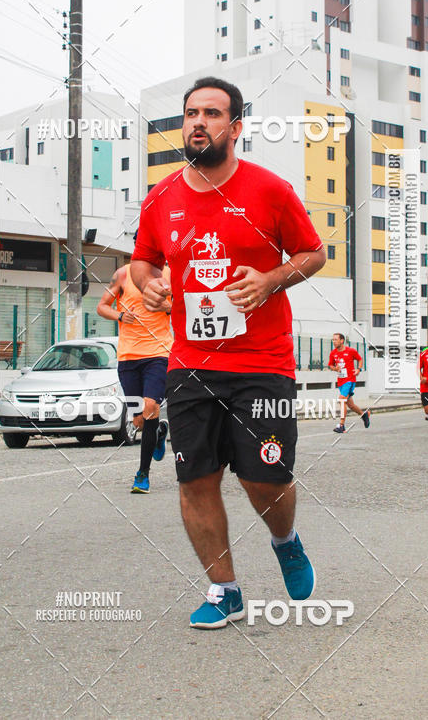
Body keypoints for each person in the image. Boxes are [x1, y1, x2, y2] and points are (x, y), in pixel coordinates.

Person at [130, 76, 326, 629]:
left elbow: (313, 252)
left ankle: (285, 539)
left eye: (212, 113)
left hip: (262, 362)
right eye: (191, 113)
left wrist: (269, 280)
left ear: (235, 128)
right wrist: (147, 284)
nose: (198, 122)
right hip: (191, 364)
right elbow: (142, 260)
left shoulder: (269, 190)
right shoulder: (161, 196)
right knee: (195, 479)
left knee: (263, 477)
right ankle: (226, 590)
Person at [97, 252, 172, 493]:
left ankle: (142, 474)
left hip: (159, 352)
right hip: (128, 356)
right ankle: (159, 431)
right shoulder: (122, 274)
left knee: (150, 406)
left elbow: (182, 309)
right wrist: (119, 315)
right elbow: (101, 307)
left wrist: (167, 306)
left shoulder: (169, 274)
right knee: (139, 420)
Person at [328, 333, 370, 433]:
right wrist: (335, 368)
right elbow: (330, 365)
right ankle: (364, 414)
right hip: (341, 381)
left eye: (336, 340)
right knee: (350, 405)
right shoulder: (333, 353)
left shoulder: (350, 351)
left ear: (342, 341)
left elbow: (360, 359)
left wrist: (358, 369)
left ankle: (341, 425)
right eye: (333, 340)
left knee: (342, 399)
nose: (334, 342)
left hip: (350, 380)